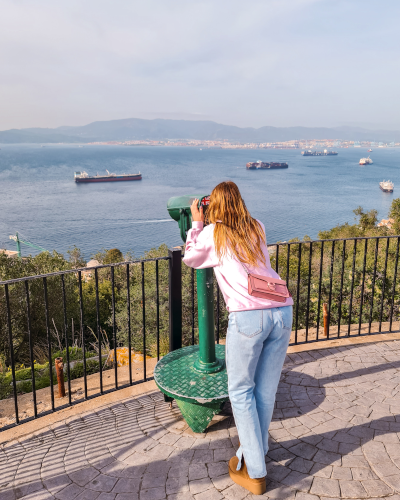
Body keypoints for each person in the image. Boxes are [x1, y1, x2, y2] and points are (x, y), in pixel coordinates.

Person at [182, 181, 293, 495]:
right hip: (282, 310)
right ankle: (252, 453)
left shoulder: (212, 233)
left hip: (249, 317)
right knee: (265, 391)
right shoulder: (256, 226)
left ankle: (255, 471)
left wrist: (197, 221)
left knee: (241, 392)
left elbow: (190, 258)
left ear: (213, 205)